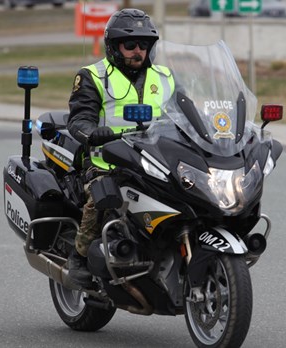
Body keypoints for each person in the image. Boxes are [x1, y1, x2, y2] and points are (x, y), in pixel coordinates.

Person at [66, 8, 175, 286]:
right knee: (104, 196)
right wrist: (93, 132)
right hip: (106, 162)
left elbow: (187, 114)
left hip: (155, 160)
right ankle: (78, 257)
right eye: (130, 45)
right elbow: (78, 119)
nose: (138, 51)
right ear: (114, 46)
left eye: (144, 45)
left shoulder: (165, 77)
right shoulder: (93, 75)